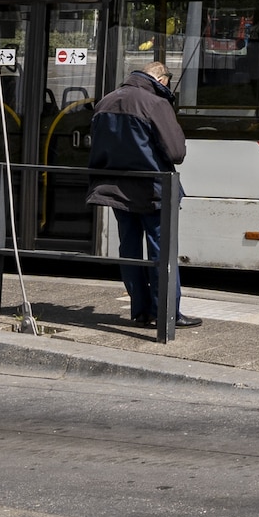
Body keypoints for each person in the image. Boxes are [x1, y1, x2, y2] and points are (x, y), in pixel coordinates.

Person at [85, 58, 200, 330]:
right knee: (162, 252)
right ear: (161, 80)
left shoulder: (105, 102)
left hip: (116, 188)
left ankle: (140, 311)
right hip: (153, 190)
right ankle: (166, 314)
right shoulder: (156, 103)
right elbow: (176, 153)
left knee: (130, 249)